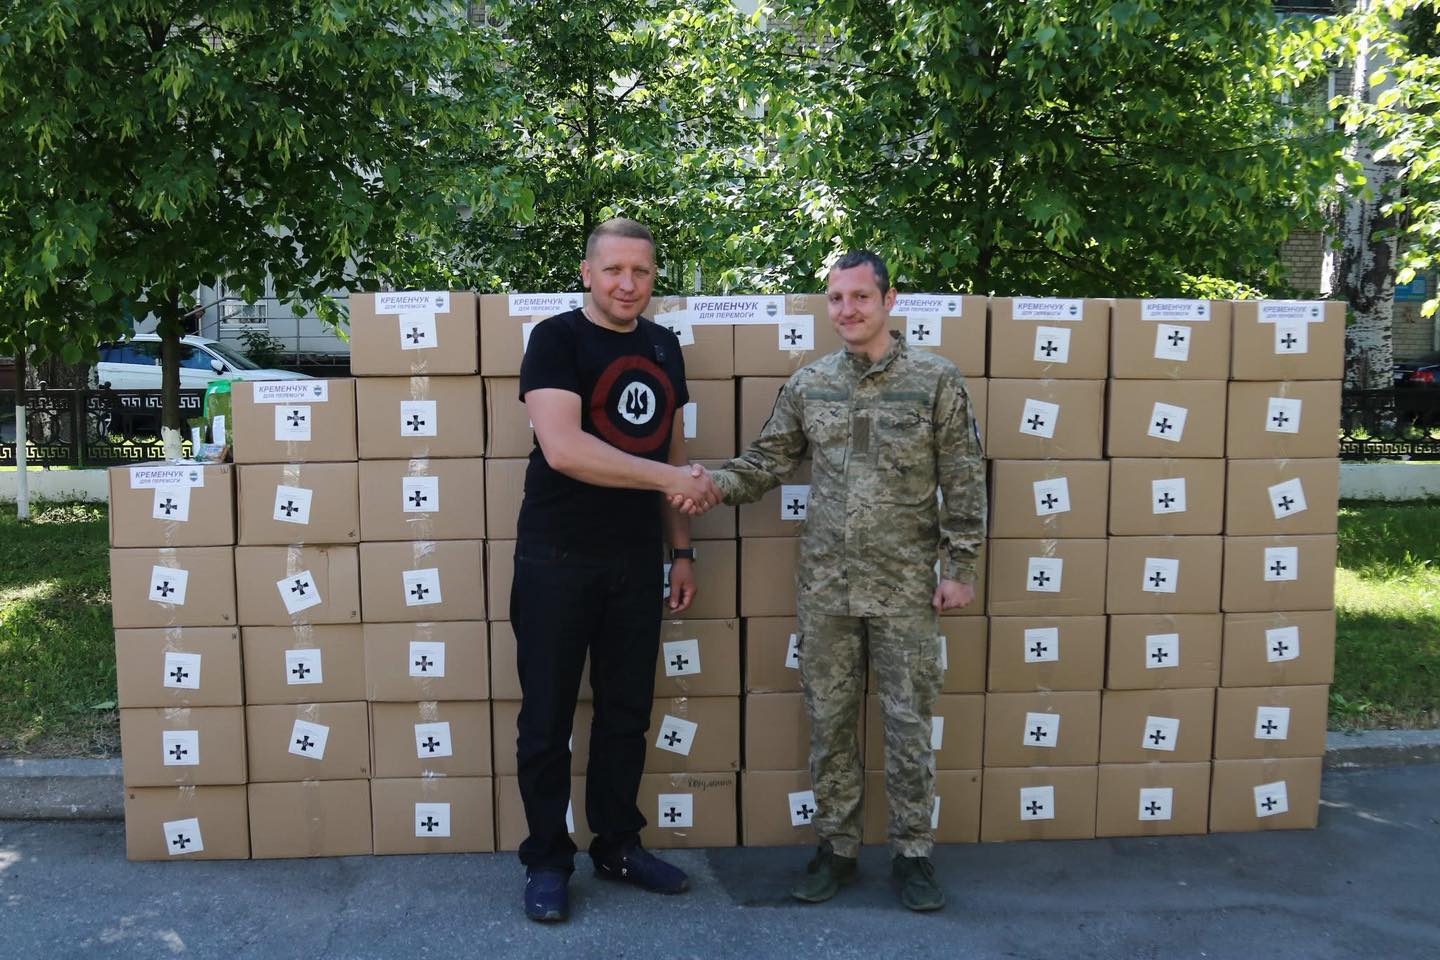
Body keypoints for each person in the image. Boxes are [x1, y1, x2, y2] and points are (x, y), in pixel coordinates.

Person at [689, 251, 985, 912]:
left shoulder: (935, 380)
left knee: (908, 725)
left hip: (906, 587)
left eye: (860, 297)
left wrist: (960, 567)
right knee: (829, 723)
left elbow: (965, 476)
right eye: (835, 298)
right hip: (827, 589)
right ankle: (837, 849)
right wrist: (709, 484)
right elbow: (766, 463)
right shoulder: (810, 384)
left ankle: (913, 855)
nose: (846, 310)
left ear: (889, 300)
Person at [512, 217, 722, 922]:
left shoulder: (662, 346)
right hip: (556, 557)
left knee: (626, 714)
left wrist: (681, 550)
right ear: (587, 273)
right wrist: (671, 479)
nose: (628, 284)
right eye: (613, 270)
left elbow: (672, 451)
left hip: (635, 560)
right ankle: (548, 860)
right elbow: (565, 448)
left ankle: (618, 845)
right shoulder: (556, 339)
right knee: (546, 719)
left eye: (641, 271)